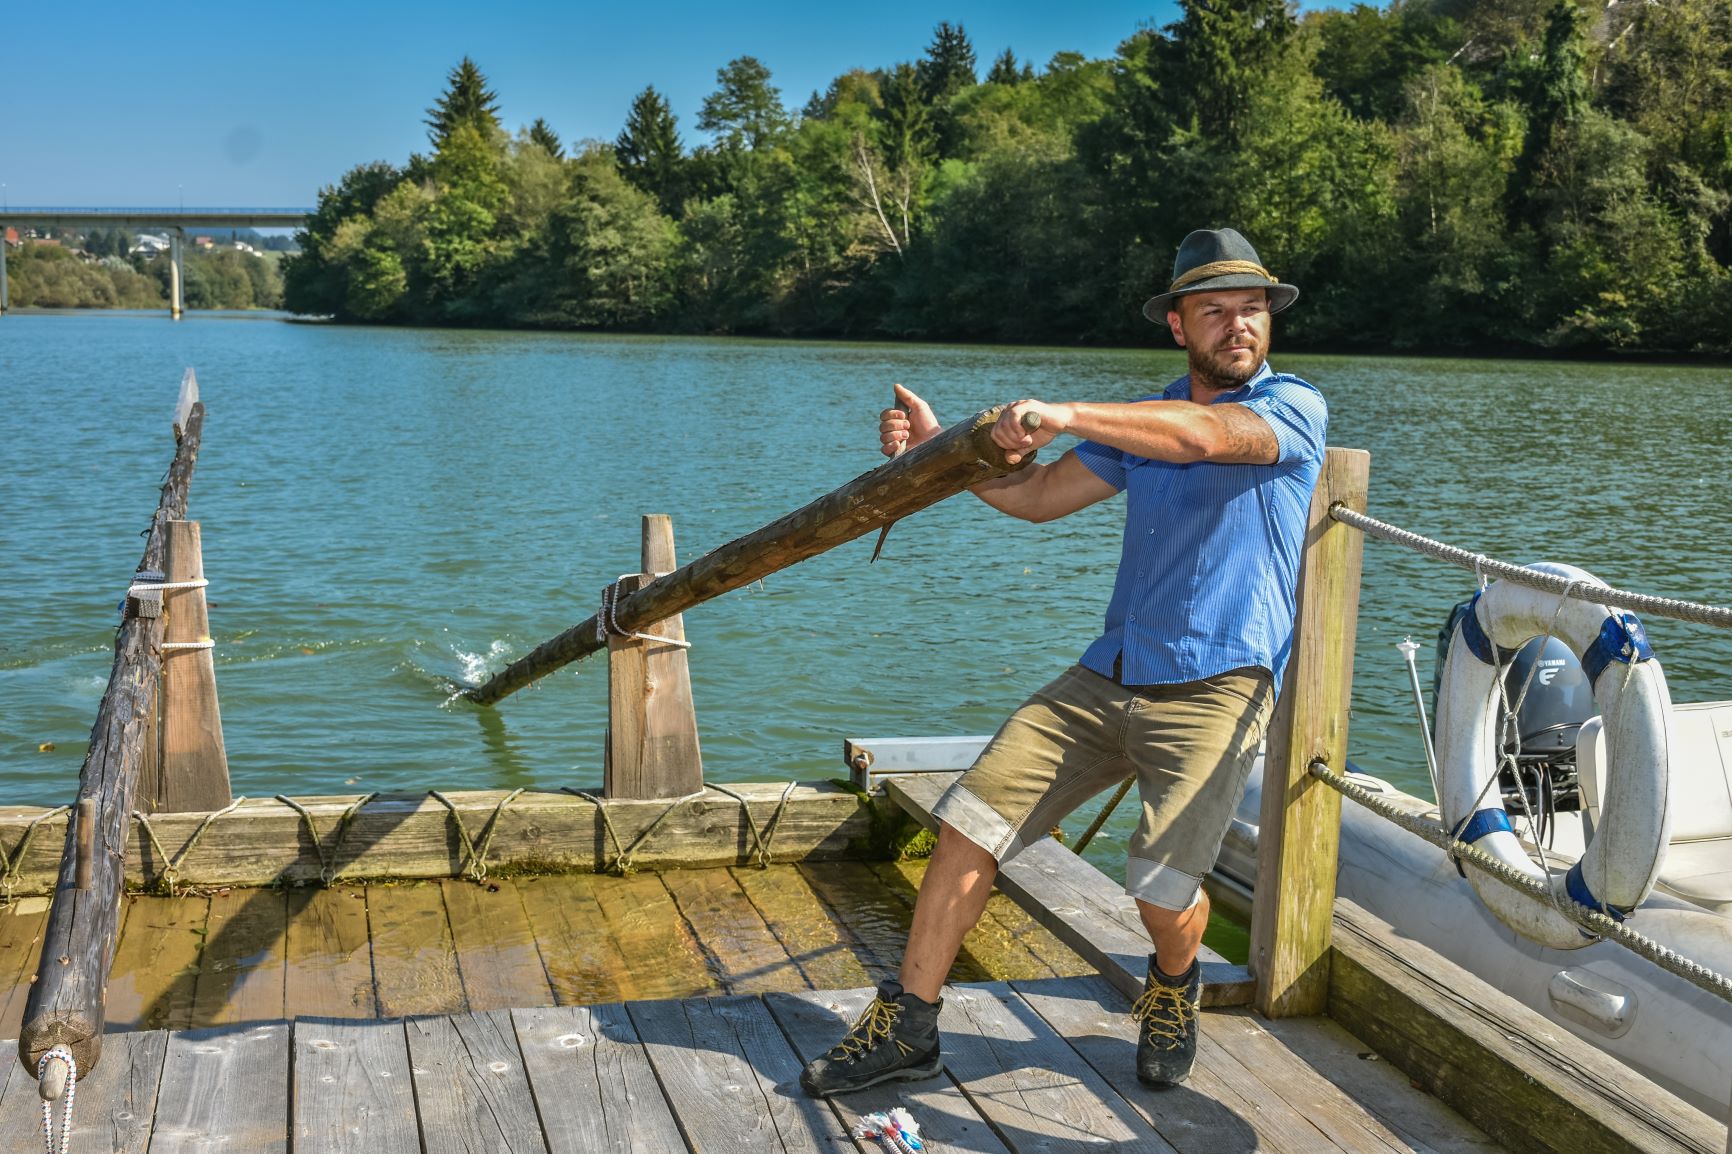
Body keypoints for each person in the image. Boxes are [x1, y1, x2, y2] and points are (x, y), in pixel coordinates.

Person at [799, 227, 1328, 1097]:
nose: (1240, 326)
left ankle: (1172, 983)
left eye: (1252, 309)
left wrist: (1065, 412)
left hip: (1220, 688)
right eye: (1216, 311)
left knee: (1159, 889)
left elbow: (1202, 437)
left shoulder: (1291, 408)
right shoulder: (1144, 423)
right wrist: (943, 451)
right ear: (1178, 327)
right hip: (1109, 673)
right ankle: (911, 1025)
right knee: (971, 821)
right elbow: (1035, 497)